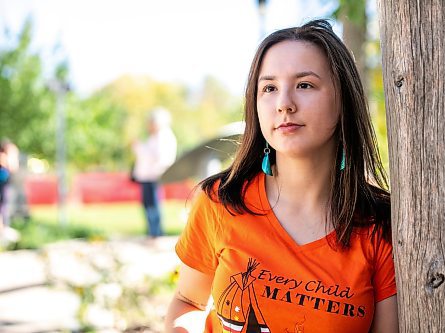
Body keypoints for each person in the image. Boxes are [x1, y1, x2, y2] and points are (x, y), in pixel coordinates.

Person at [165, 19, 398, 332]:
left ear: (343, 98)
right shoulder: (221, 201)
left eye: (304, 85)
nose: (284, 104)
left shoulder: (380, 227)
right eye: (269, 88)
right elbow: (187, 301)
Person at [132, 107, 177, 238]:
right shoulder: (155, 137)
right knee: (148, 205)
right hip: (147, 176)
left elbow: (155, 157)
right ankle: (153, 232)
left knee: (153, 206)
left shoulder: (163, 136)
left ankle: (156, 233)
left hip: (153, 176)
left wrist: (139, 147)